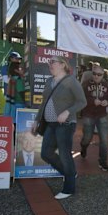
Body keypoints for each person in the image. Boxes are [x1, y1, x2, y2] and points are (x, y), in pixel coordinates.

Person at [33, 56, 86, 200]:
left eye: (53, 62)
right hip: (50, 123)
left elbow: (82, 102)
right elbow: (44, 102)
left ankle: (69, 188)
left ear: (63, 65)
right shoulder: (49, 81)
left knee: (64, 154)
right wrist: (37, 120)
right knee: (45, 153)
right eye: (49, 62)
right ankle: (70, 173)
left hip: (66, 124)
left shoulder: (71, 81)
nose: (50, 64)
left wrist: (67, 111)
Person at [79, 64, 108, 172]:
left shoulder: (106, 85)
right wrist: (92, 101)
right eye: (94, 74)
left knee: (104, 140)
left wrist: (107, 102)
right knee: (87, 138)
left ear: (103, 75)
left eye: (99, 74)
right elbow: (81, 98)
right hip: (88, 115)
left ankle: (102, 161)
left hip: (101, 115)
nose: (96, 76)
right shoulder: (85, 84)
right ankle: (83, 146)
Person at [3, 51, 26, 123]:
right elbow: (21, 92)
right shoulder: (17, 79)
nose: (22, 70)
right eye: (20, 68)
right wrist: (27, 103)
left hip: (12, 104)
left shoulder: (13, 78)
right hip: (19, 105)